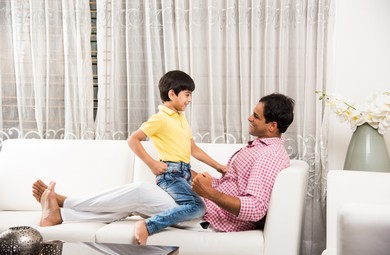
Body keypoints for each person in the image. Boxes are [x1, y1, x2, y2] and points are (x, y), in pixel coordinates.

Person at [32, 92, 295, 240]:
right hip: (206, 204)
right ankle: (62, 213)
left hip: (208, 216)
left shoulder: (268, 157)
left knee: (139, 193)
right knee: (137, 198)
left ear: (272, 126)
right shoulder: (259, 148)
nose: (249, 117)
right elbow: (233, 184)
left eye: (256, 116)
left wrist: (209, 192)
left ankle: (65, 203)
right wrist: (193, 176)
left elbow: (255, 207)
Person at [127, 70, 226, 244]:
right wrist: (151, 164)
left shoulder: (181, 118)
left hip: (184, 173)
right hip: (171, 176)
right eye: (187, 95)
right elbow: (133, 140)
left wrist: (219, 167)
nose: (190, 100)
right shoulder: (160, 119)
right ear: (172, 94)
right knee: (198, 207)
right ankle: (148, 225)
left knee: (211, 203)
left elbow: (192, 148)